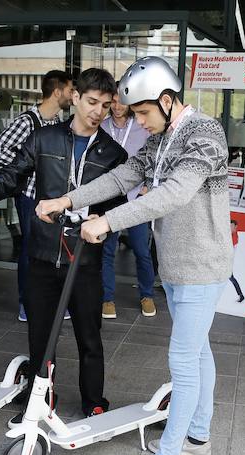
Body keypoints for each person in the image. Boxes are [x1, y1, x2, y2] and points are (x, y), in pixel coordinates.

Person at [38, 56, 232, 455]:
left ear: (166, 100)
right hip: (178, 267)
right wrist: (67, 200)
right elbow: (123, 176)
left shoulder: (204, 133)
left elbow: (175, 193)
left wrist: (108, 223)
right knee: (198, 353)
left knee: (183, 361)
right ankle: (197, 438)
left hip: (203, 266)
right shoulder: (160, 138)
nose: (137, 122)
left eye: (143, 113)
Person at [0, 68, 127, 420]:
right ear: (74, 97)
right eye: (92, 102)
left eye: (106, 106)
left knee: (89, 336)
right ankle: (41, 397)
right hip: (43, 254)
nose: (98, 111)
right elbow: (8, 179)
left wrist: (102, 224)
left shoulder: (113, 153)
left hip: (86, 260)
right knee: (40, 335)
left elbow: (117, 207)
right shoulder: (44, 139)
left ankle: (94, 401)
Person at [0, 69, 73, 321]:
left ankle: (50, 301)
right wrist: (28, 165)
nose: (72, 95)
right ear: (57, 92)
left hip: (50, 197)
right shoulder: (27, 122)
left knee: (50, 249)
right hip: (30, 197)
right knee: (30, 250)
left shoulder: (56, 123)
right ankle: (27, 303)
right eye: (69, 90)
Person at [99, 91, 156, 319]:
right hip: (110, 199)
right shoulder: (101, 127)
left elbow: (154, 159)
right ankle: (107, 299)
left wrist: (148, 188)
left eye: (121, 101)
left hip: (136, 199)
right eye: (112, 102)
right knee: (107, 251)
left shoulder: (142, 128)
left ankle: (147, 295)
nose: (117, 106)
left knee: (142, 251)